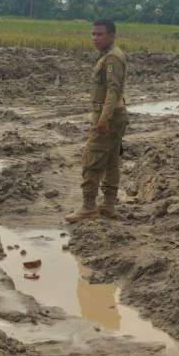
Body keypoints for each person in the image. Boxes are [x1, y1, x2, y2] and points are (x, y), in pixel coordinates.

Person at [66, 19, 128, 223]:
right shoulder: (109, 56)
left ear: (111, 35)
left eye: (99, 34)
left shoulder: (112, 59)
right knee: (111, 161)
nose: (95, 38)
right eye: (93, 34)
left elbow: (113, 90)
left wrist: (103, 119)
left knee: (92, 160)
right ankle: (108, 205)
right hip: (115, 115)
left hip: (108, 116)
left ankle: (88, 206)